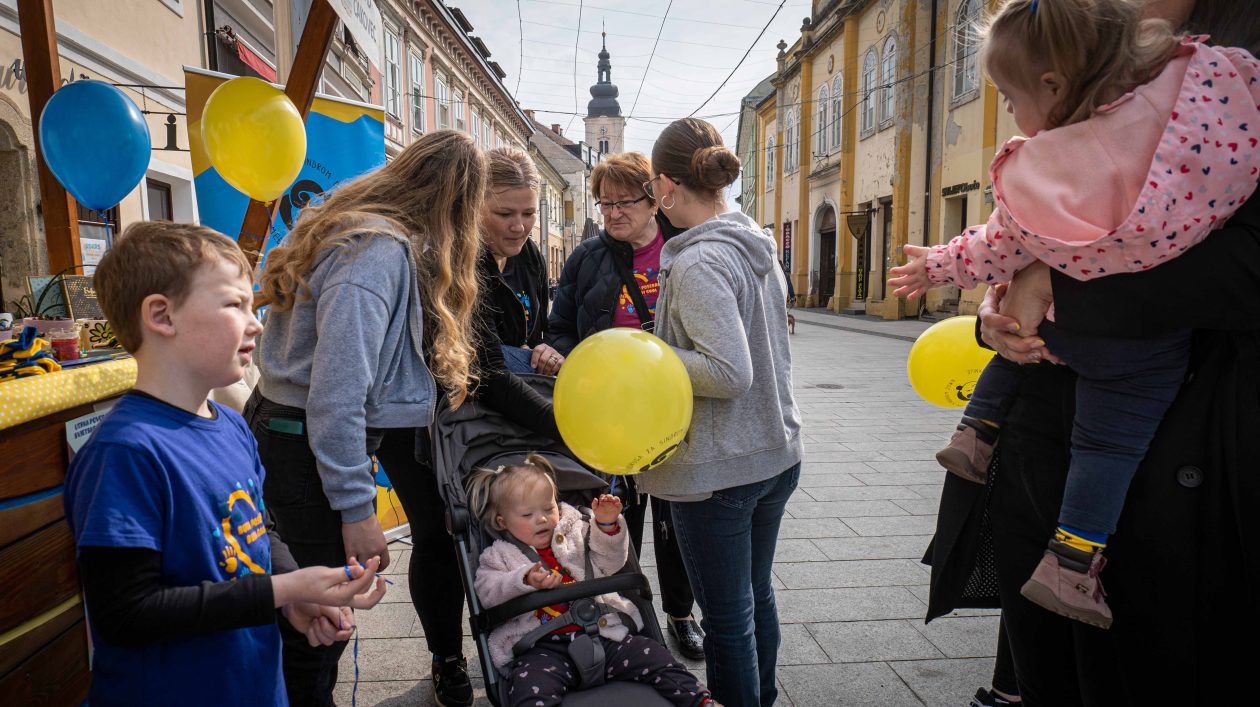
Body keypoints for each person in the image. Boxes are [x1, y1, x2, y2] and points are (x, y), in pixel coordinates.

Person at [925, 2, 1260, 700]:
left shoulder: (1222, 63)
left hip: (1183, 445)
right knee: (1045, 664)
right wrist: (1002, 308)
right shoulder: (1074, 32)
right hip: (1041, 434)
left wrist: (1059, 278)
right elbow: (1032, 217)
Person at [65, 222, 386, 707]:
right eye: (235, 304)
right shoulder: (125, 453)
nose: (256, 321)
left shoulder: (232, 425)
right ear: (162, 315)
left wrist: (293, 594)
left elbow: (259, 527)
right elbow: (125, 614)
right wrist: (278, 590)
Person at [248, 130, 485, 706]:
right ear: (456, 206)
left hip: (290, 431)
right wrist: (358, 511)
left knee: (311, 616)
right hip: (301, 442)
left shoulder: (355, 230)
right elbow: (335, 397)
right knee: (318, 625)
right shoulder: (376, 254)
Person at [637, 118, 802, 706]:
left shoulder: (700, 261)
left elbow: (730, 373)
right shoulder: (753, 242)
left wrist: (649, 356)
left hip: (718, 470)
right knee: (755, 599)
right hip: (772, 453)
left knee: (729, 619)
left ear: (663, 186)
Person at [547, 151, 704, 660]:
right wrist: (567, 358)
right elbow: (561, 328)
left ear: (653, 198)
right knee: (615, 518)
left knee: (676, 522)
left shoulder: (681, 251)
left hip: (674, 408)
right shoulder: (587, 258)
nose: (613, 213)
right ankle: (623, 613)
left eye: (625, 201)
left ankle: (682, 615)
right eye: (604, 203)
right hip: (610, 415)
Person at [466, 455, 717, 707]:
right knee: (528, 686)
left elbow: (610, 563)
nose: (541, 519)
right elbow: (487, 592)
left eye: (548, 508)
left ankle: (700, 701)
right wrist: (523, 579)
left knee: (655, 658)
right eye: (527, 514)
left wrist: (606, 527)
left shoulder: (577, 531)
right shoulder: (499, 555)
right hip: (541, 647)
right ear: (502, 521)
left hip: (604, 632)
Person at [481, 147, 564, 375]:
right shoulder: (463, 262)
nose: (519, 227)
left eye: (528, 214)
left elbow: (538, 335)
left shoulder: (530, 256)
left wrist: (544, 351)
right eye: (504, 214)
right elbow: (485, 362)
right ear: (475, 207)